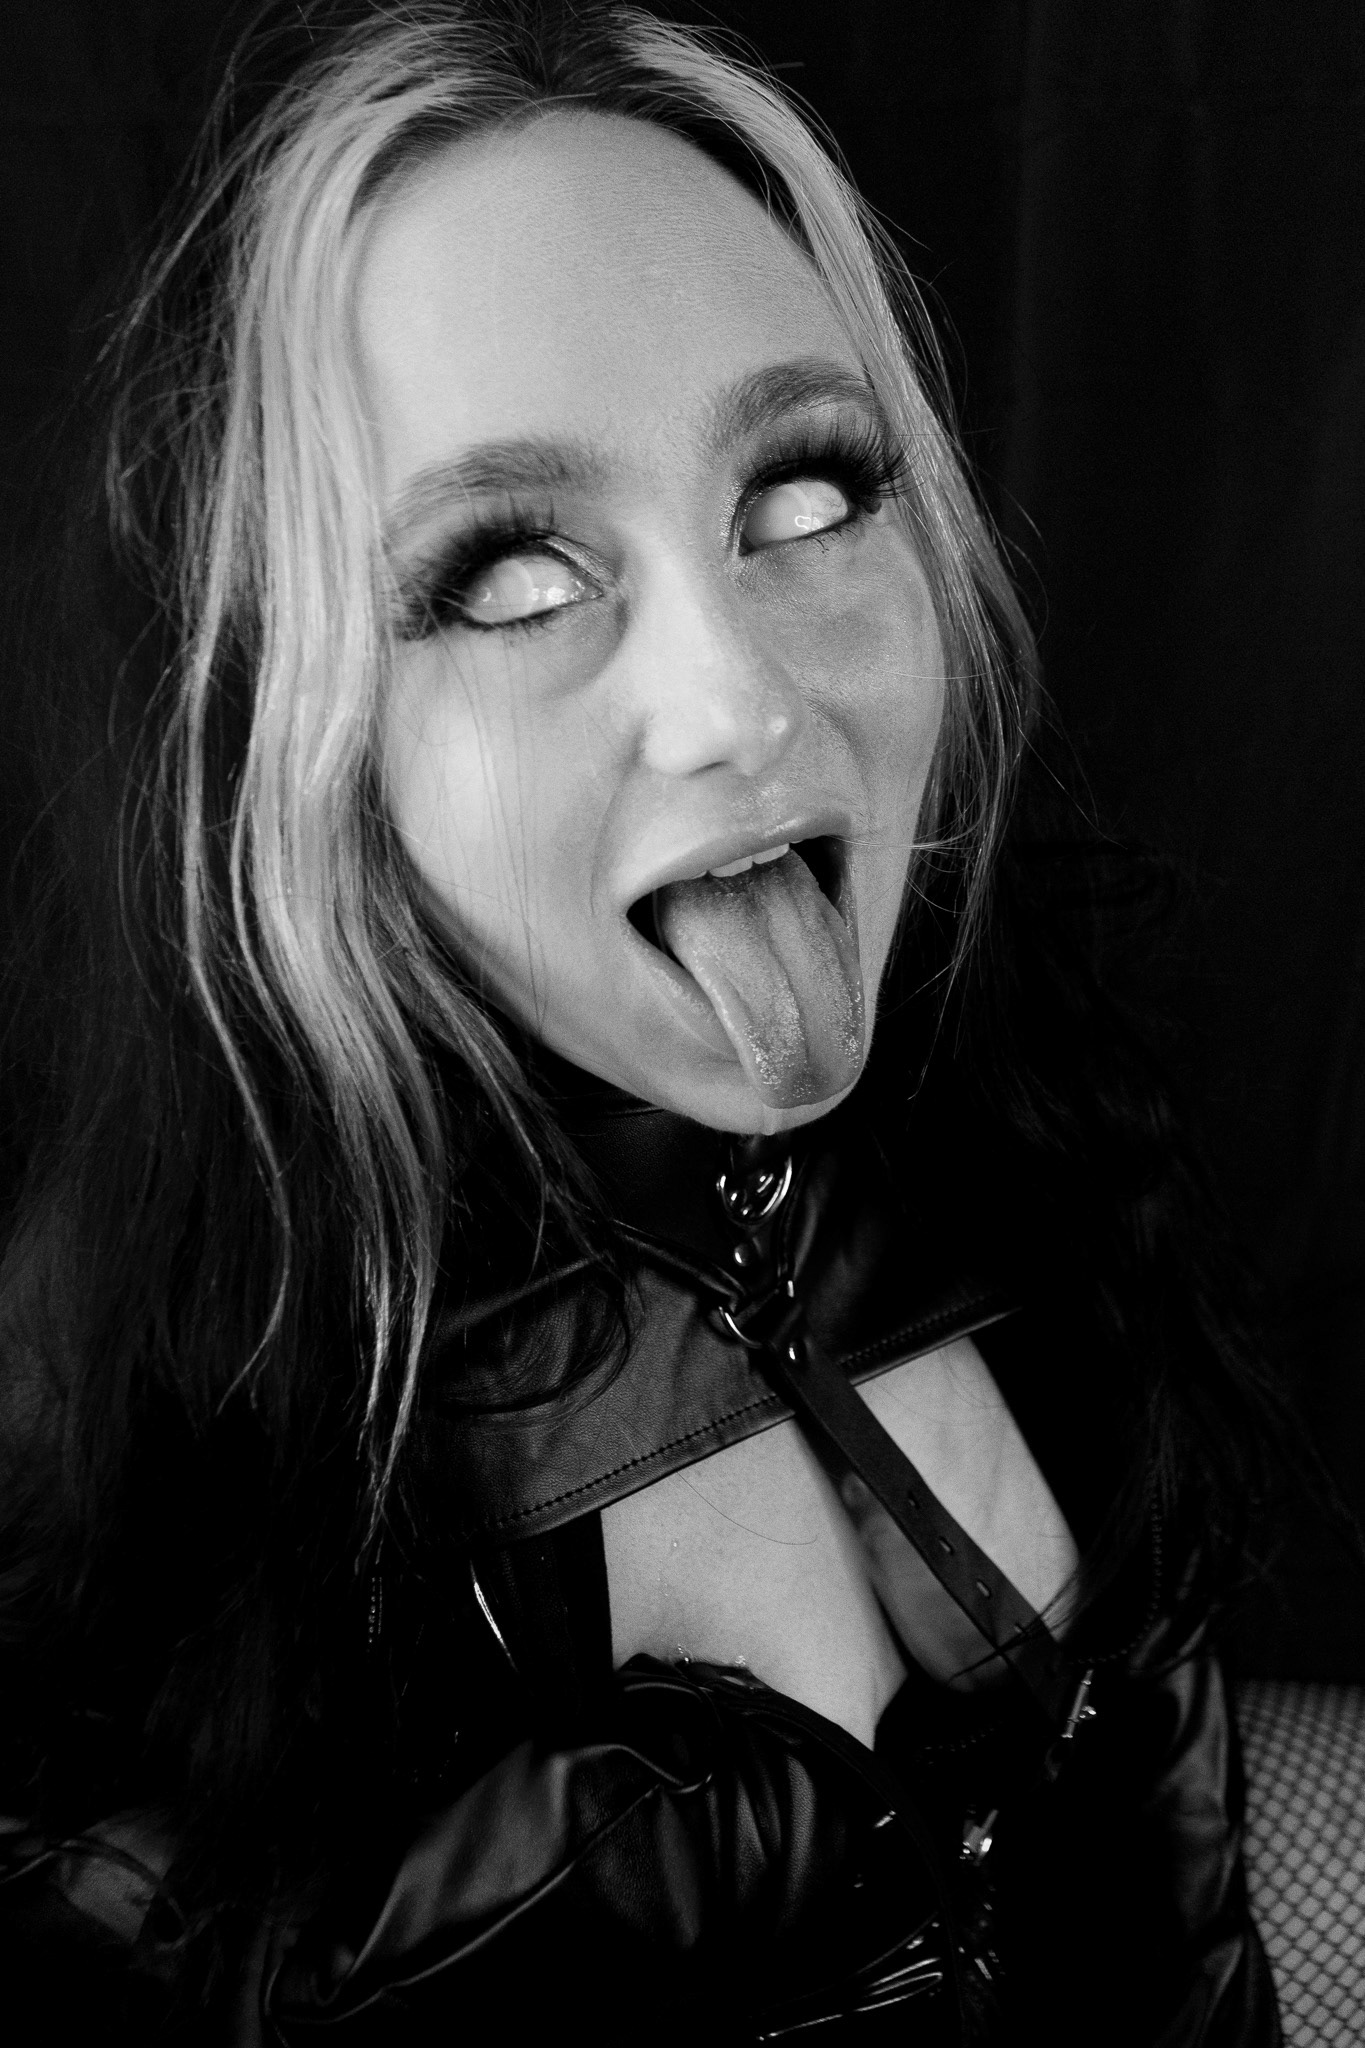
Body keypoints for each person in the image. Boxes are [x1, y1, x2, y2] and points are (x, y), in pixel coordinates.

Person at [0, 3, 1283, 2040]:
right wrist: (377, 1938)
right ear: (294, 720)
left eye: (806, 493)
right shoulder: (184, 1319)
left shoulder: (1015, 1130)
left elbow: (1187, 1947)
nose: (741, 701)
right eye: (512, 576)